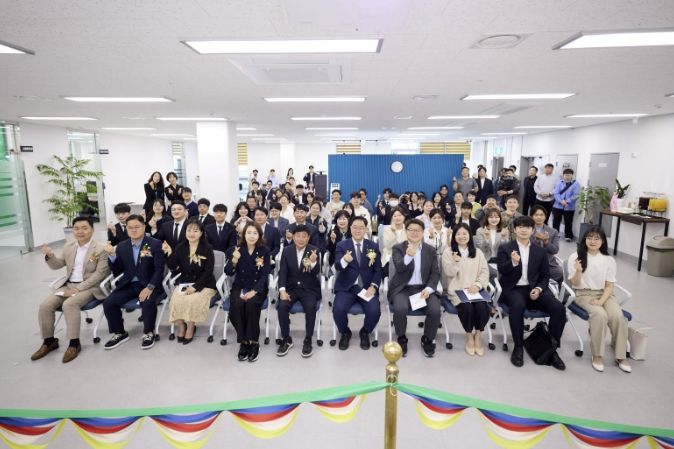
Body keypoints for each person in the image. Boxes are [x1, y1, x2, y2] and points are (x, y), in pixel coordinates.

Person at [32, 217, 110, 363]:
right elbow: (57, 265)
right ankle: (49, 341)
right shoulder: (69, 246)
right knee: (45, 306)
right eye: (76, 228)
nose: (80, 231)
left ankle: (74, 343)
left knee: (69, 304)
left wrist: (78, 289)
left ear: (92, 230)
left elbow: (100, 275)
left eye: (84, 228)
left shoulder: (101, 248)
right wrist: (50, 255)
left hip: (89, 287)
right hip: (68, 285)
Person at [496, 216, 566, 370]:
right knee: (517, 306)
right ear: (515, 230)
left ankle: (551, 349)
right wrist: (513, 262)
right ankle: (518, 347)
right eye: (520, 227)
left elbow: (545, 275)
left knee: (559, 309)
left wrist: (539, 289)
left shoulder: (539, 251)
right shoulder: (505, 248)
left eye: (527, 227)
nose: (523, 230)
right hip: (513, 288)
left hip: (534, 288)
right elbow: (502, 270)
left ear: (532, 230)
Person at [567, 226, 631, 373]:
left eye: (597, 238)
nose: (593, 241)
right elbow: (575, 283)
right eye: (589, 238)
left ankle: (621, 356)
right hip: (584, 293)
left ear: (602, 241)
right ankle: (597, 355)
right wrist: (578, 270)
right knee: (600, 315)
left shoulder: (608, 260)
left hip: (605, 294)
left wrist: (601, 301)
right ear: (584, 239)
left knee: (618, 316)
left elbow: (609, 286)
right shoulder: (575, 256)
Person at [102, 215, 166, 350]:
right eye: (130, 227)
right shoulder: (121, 246)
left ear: (144, 227)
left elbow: (159, 269)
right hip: (129, 284)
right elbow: (117, 270)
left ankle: (149, 332)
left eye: (137, 227)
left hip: (150, 283)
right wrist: (112, 256)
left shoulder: (154, 243)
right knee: (109, 303)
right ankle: (120, 333)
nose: (134, 230)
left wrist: (150, 287)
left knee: (147, 302)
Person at [389, 218, 442, 357]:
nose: (414, 233)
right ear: (406, 231)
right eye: (411, 230)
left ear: (423, 232)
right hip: (403, 288)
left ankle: (428, 339)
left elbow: (435, 273)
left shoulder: (430, 250)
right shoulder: (398, 248)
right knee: (400, 309)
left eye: (418, 230)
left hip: (424, 288)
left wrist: (429, 289)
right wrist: (408, 256)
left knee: (435, 310)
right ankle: (401, 337)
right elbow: (399, 268)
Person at [163, 219, 216, 345]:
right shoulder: (180, 247)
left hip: (205, 284)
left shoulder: (207, 248)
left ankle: (191, 327)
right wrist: (169, 253)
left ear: (201, 233)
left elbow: (208, 271)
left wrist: (196, 287)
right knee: (175, 300)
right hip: (185, 282)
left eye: (195, 231)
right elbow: (173, 266)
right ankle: (182, 326)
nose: (191, 233)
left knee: (193, 300)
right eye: (189, 230)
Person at [333, 216, 382, 350]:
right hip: (347, 287)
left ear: (366, 229)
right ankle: (345, 332)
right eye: (355, 227)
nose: (358, 230)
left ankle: (365, 331)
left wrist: (374, 286)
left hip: (366, 287)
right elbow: (337, 266)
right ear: (350, 228)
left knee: (374, 311)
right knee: (338, 309)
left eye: (361, 227)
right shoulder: (342, 245)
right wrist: (344, 260)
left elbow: (378, 270)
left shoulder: (373, 246)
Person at [224, 222, 271, 362]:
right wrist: (234, 259)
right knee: (236, 305)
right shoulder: (237, 249)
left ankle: (254, 342)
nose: (251, 236)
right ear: (244, 234)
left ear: (259, 235)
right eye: (249, 232)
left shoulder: (264, 251)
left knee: (251, 305)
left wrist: (255, 291)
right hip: (240, 286)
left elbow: (265, 274)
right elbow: (228, 272)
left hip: (257, 287)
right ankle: (244, 341)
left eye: (255, 233)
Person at [442, 223, 490, 356]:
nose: (462, 236)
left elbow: (484, 272)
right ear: (454, 236)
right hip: (458, 291)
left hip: (476, 290)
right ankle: (469, 335)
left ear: (470, 235)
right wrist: (456, 262)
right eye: (458, 234)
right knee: (467, 308)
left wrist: (477, 285)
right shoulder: (448, 252)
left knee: (482, 307)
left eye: (465, 233)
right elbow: (448, 272)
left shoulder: (478, 252)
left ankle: (478, 335)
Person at [276, 225, 322, 358]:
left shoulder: (314, 250)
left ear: (308, 238)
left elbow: (316, 272)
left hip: (309, 288)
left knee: (310, 307)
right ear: (293, 237)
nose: (301, 239)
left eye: (304, 236)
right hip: (291, 288)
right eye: (298, 236)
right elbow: (283, 272)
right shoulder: (287, 250)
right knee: (282, 306)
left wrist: (313, 262)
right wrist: (282, 290)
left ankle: (308, 339)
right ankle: (286, 338)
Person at [530, 205, 563, 284]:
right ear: (531, 217)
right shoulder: (526, 230)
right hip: (530, 264)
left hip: (548, 264)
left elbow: (555, 250)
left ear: (545, 217)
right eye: (536, 215)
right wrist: (536, 241)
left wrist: (546, 242)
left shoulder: (553, 231)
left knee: (560, 272)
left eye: (541, 215)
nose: (539, 217)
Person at [552, 168, 581, 242]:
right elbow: (556, 193)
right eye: (565, 175)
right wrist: (561, 201)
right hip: (557, 206)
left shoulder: (576, 184)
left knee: (568, 222)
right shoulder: (559, 183)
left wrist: (567, 201)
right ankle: (555, 235)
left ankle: (568, 236)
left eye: (569, 175)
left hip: (569, 207)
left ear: (572, 176)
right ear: (563, 175)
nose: (567, 177)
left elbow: (576, 195)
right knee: (556, 221)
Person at [380, 207, 407, 276]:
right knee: (387, 272)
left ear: (404, 217)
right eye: (395, 216)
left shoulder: (408, 229)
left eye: (399, 215)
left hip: (405, 257)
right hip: (390, 256)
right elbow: (388, 246)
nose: (397, 218)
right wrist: (394, 232)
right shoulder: (387, 229)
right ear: (392, 218)